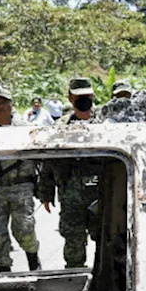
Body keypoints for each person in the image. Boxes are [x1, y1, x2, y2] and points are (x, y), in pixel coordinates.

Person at [37, 78, 101, 268]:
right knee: (73, 238)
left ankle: (105, 277)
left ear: (93, 96)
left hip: (101, 194)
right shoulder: (60, 128)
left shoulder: (106, 123)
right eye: (78, 97)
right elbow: (49, 161)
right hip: (71, 195)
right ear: (70, 98)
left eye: (86, 96)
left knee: (107, 238)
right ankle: (75, 277)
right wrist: (46, 193)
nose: (83, 100)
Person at [0, 85, 41, 272]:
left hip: (21, 187)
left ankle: (33, 261)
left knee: (25, 228)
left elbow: (42, 157)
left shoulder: (26, 129)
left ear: (12, 104)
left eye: (4, 102)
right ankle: (4, 271)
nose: (0, 106)